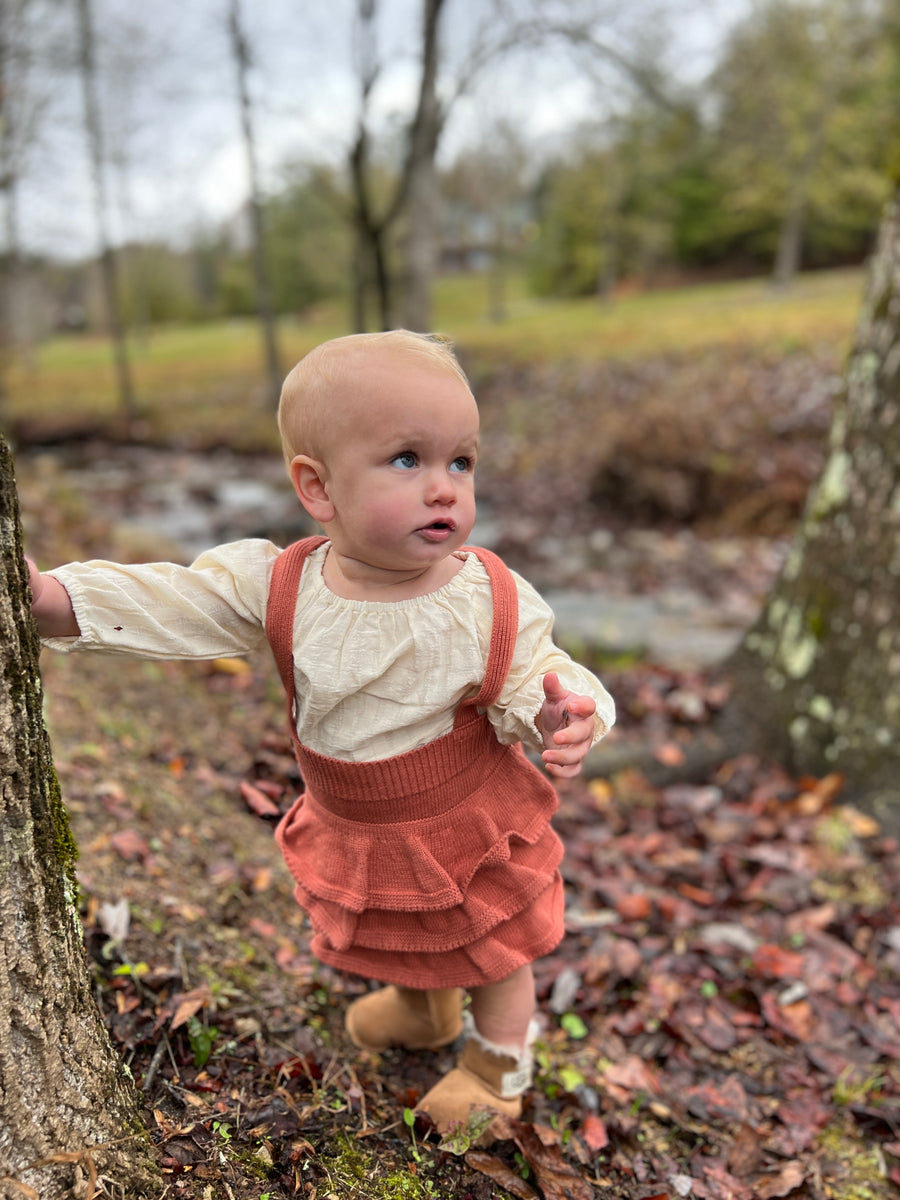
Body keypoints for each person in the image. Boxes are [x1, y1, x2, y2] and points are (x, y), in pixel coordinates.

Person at [29, 330, 615, 1138]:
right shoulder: (283, 585)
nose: (444, 488)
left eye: (461, 462)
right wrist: (54, 601)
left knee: (492, 943)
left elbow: (536, 670)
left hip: (463, 820)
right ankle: (425, 1009)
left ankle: (497, 1063)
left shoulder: (481, 598)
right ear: (318, 486)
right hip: (360, 819)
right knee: (401, 924)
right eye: (407, 459)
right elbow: (177, 601)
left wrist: (563, 712)